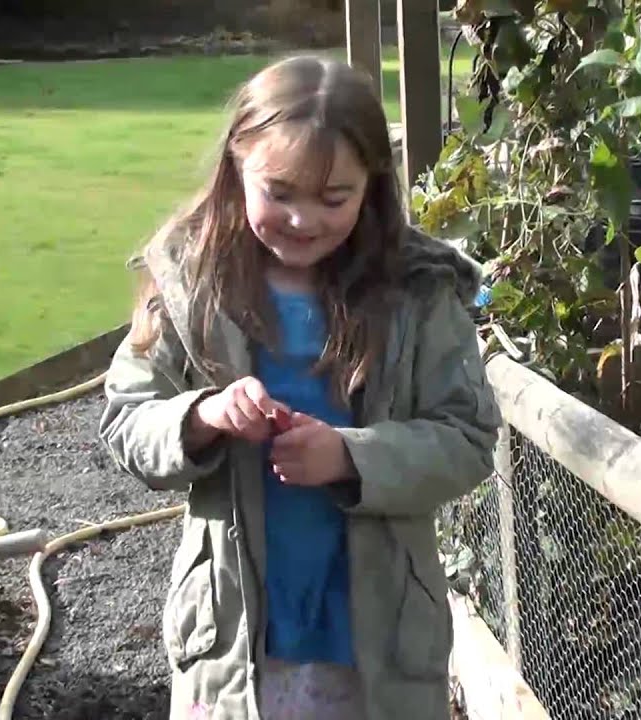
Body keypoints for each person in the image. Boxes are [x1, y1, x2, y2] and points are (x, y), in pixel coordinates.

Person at [97, 54, 501, 720]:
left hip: (376, 644)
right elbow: (126, 417)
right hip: (237, 639)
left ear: (372, 185)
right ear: (236, 167)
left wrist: (350, 457)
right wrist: (202, 416)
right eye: (278, 192)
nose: (303, 218)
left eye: (333, 197)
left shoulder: (420, 293)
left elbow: (466, 436)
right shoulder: (190, 282)